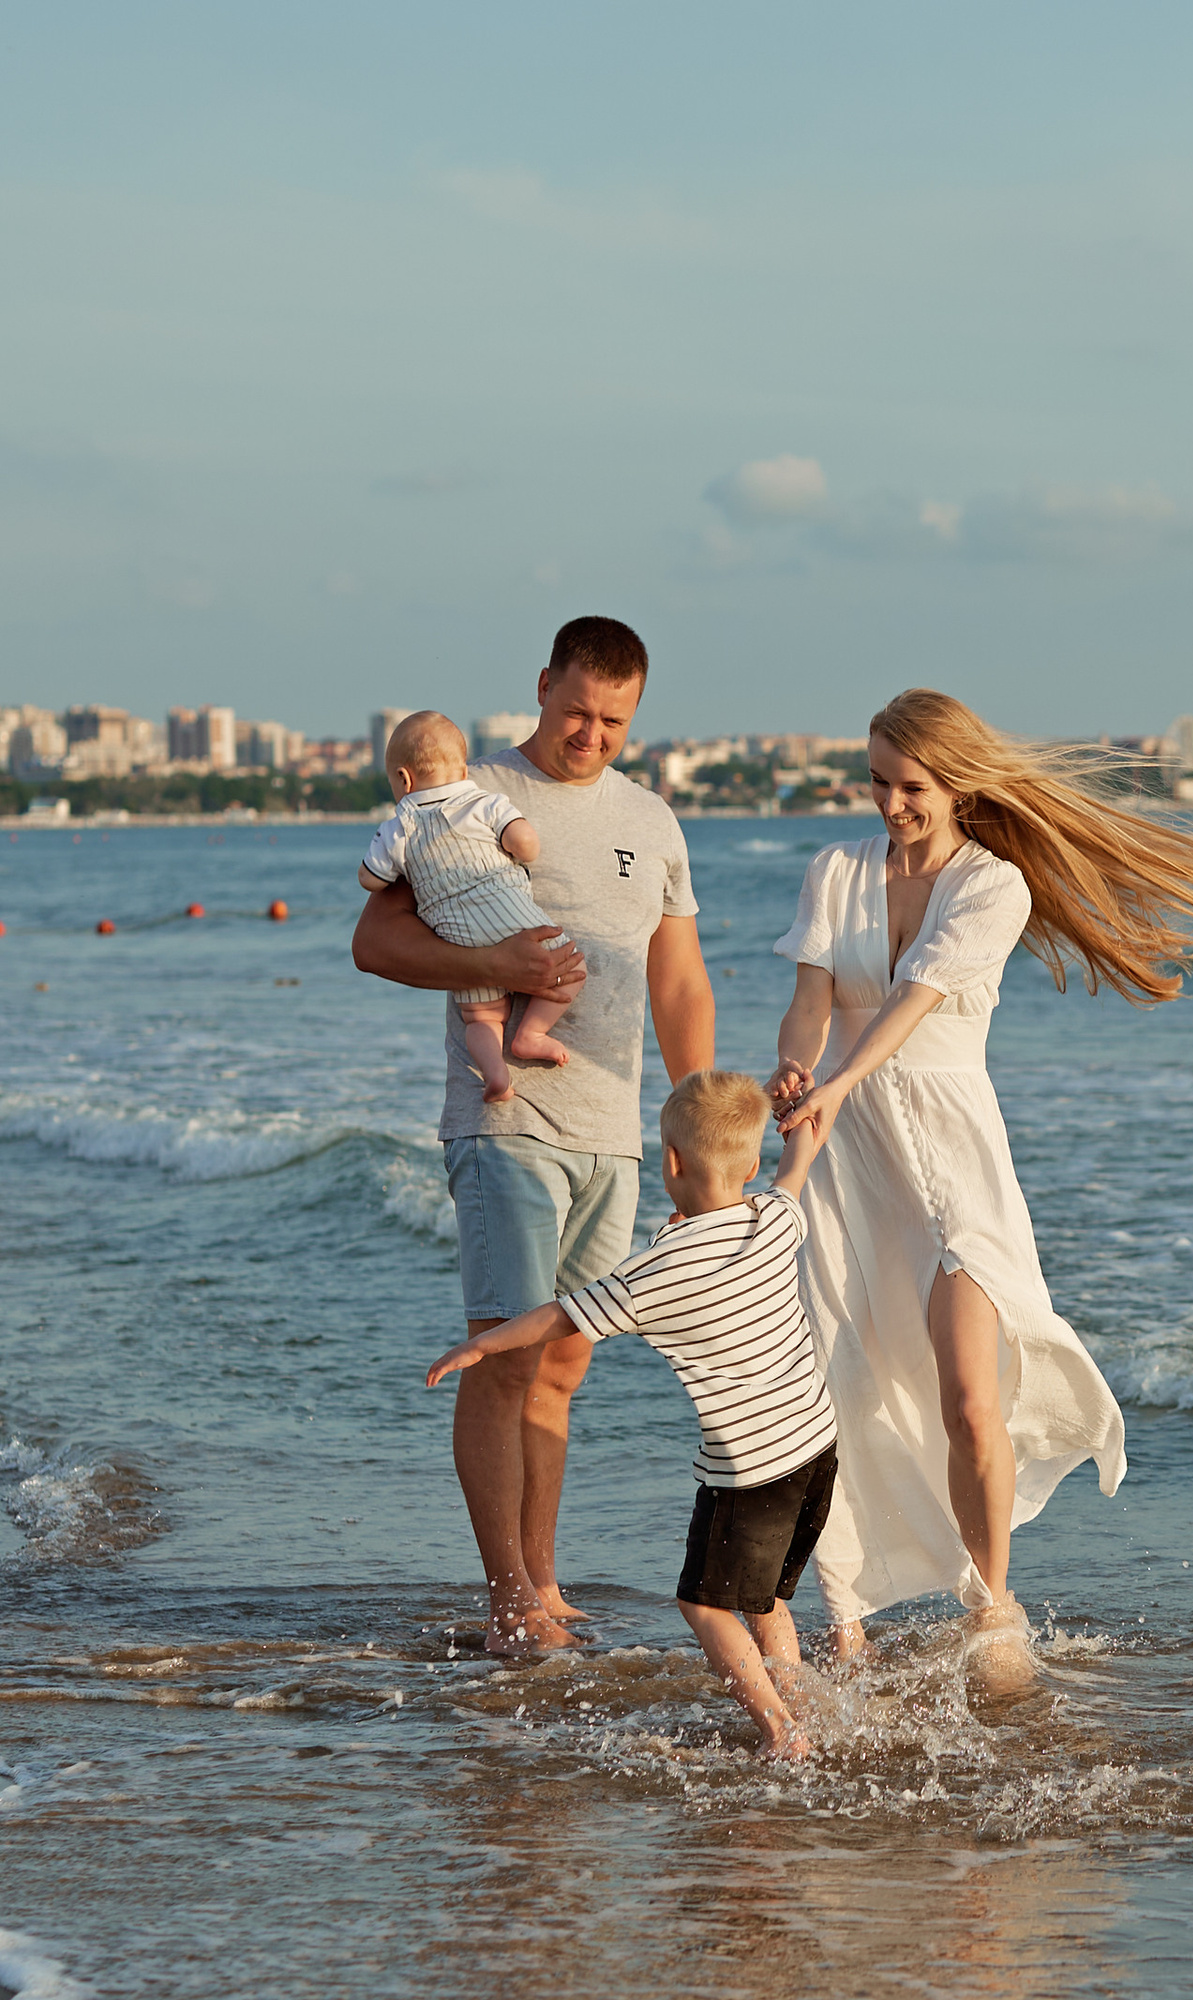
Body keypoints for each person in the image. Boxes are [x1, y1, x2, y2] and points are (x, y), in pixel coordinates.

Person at [767, 687, 1193, 1688]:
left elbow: (912, 1002)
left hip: (951, 1156)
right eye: (878, 782)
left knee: (973, 1397)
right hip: (846, 1162)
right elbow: (812, 1003)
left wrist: (840, 1076)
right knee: (839, 1382)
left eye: (912, 787)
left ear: (958, 783)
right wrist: (797, 1070)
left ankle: (991, 1604)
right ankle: (844, 1621)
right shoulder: (834, 870)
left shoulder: (992, 885)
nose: (890, 805)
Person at [353, 615, 715, 1659]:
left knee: (562, 1366)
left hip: (615, 1132)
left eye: (612, 720)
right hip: (507, 1118)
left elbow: (678, 978)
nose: (590, 734)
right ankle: (509, 1596)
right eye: (574, 712)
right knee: (502, 1360)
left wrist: (699, 1116)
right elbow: (374, 937)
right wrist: (507, 962)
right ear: (543, 686)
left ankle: (546, 1585)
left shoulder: (652, 818)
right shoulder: (469, 795)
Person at [427, 1071, 835, 1761]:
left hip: (750, 1471)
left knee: (706, 1605)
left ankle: (780, 1730)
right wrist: (801, 1113)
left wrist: (480, 1343)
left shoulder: (657, 1268)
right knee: (763, 1599)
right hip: (816, 1450)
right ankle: (801, 1703)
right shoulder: (773, 1218)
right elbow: (801, 1162)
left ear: (671, 1163)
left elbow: (559, 1316)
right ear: (749, 1164)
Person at [357, 711, 572, 1106]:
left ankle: (497, 1075)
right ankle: (531, 1034)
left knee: (481, 1018)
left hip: (460, 936)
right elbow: (525, 843)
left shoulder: (398, 827)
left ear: (403, 779)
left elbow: (370, 879)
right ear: (462, 767)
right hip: (508, 916)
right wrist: (520, 848)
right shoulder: (483, 802)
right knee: (570, 970)